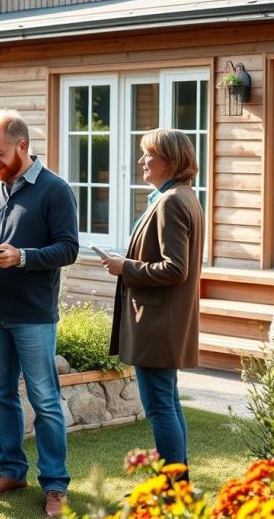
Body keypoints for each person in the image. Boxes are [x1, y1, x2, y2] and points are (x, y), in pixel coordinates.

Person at [0, 109, 79, 518]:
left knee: (45, 400)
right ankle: (11, 471)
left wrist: (23, 257)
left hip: (33, 314)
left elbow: (69, 248)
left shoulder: (55, 190)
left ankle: (54, 485)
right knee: (0, 396)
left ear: (22, 146)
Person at [101, 128, 203, 481]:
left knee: (161, 408)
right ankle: (178, 480)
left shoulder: (172, 201)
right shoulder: (181, 195)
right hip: (164, 323)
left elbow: (175, 269)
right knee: (169, 405)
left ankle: (173, 486)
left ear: (170, 162)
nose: (142, 161)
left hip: (157, 326)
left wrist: (123, 267)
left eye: (149, 155)